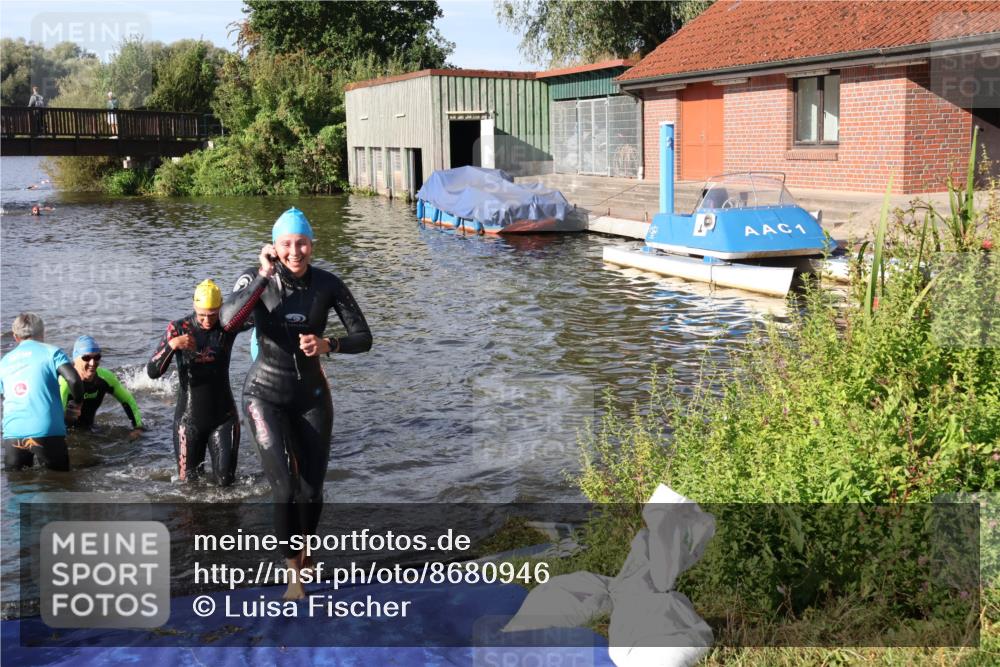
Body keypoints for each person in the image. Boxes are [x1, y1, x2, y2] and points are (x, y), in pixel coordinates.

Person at [221, 207, 372, 600]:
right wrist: (262, 275)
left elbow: (364, 337)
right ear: (274, 247)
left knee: (312, 490)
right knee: (285, 489)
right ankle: (294, 577)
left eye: (301, 243)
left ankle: (304, 547)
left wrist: (328, 344)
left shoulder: (328, 284)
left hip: (312, 395)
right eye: (286, 244)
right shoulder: (257, 279)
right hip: (264, 394)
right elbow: (228, 322)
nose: (295, 251)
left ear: (312, 244)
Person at [147, 279, 249, 486]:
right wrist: (172, 346)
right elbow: (152, 372)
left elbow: (261, 314)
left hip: (224, 417)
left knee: (227, 483)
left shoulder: (228, 326)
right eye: (202, 315)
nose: (207, 321)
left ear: (221, 307)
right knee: (189, 486)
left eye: (212, 315)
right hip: (188, 420)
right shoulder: (178, 328)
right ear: (194, 306)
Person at [0, 313, 83, 471]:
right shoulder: (52, 352)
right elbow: (73, 380)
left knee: (19, 488)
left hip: (12, 433)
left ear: (15, 337)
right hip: (47, 431)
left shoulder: (4, 362)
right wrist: (77, 404)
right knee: (61, 483)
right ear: (42, 333)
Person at [59, 336, 143, 439]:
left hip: (90, 429)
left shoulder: (105, 378)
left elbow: (128, 401)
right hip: (66, 432)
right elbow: (55, 418)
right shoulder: (65, 382)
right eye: (86, 358)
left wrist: (138, 428)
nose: (92, 363)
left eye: (96, 357)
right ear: (75, 360)